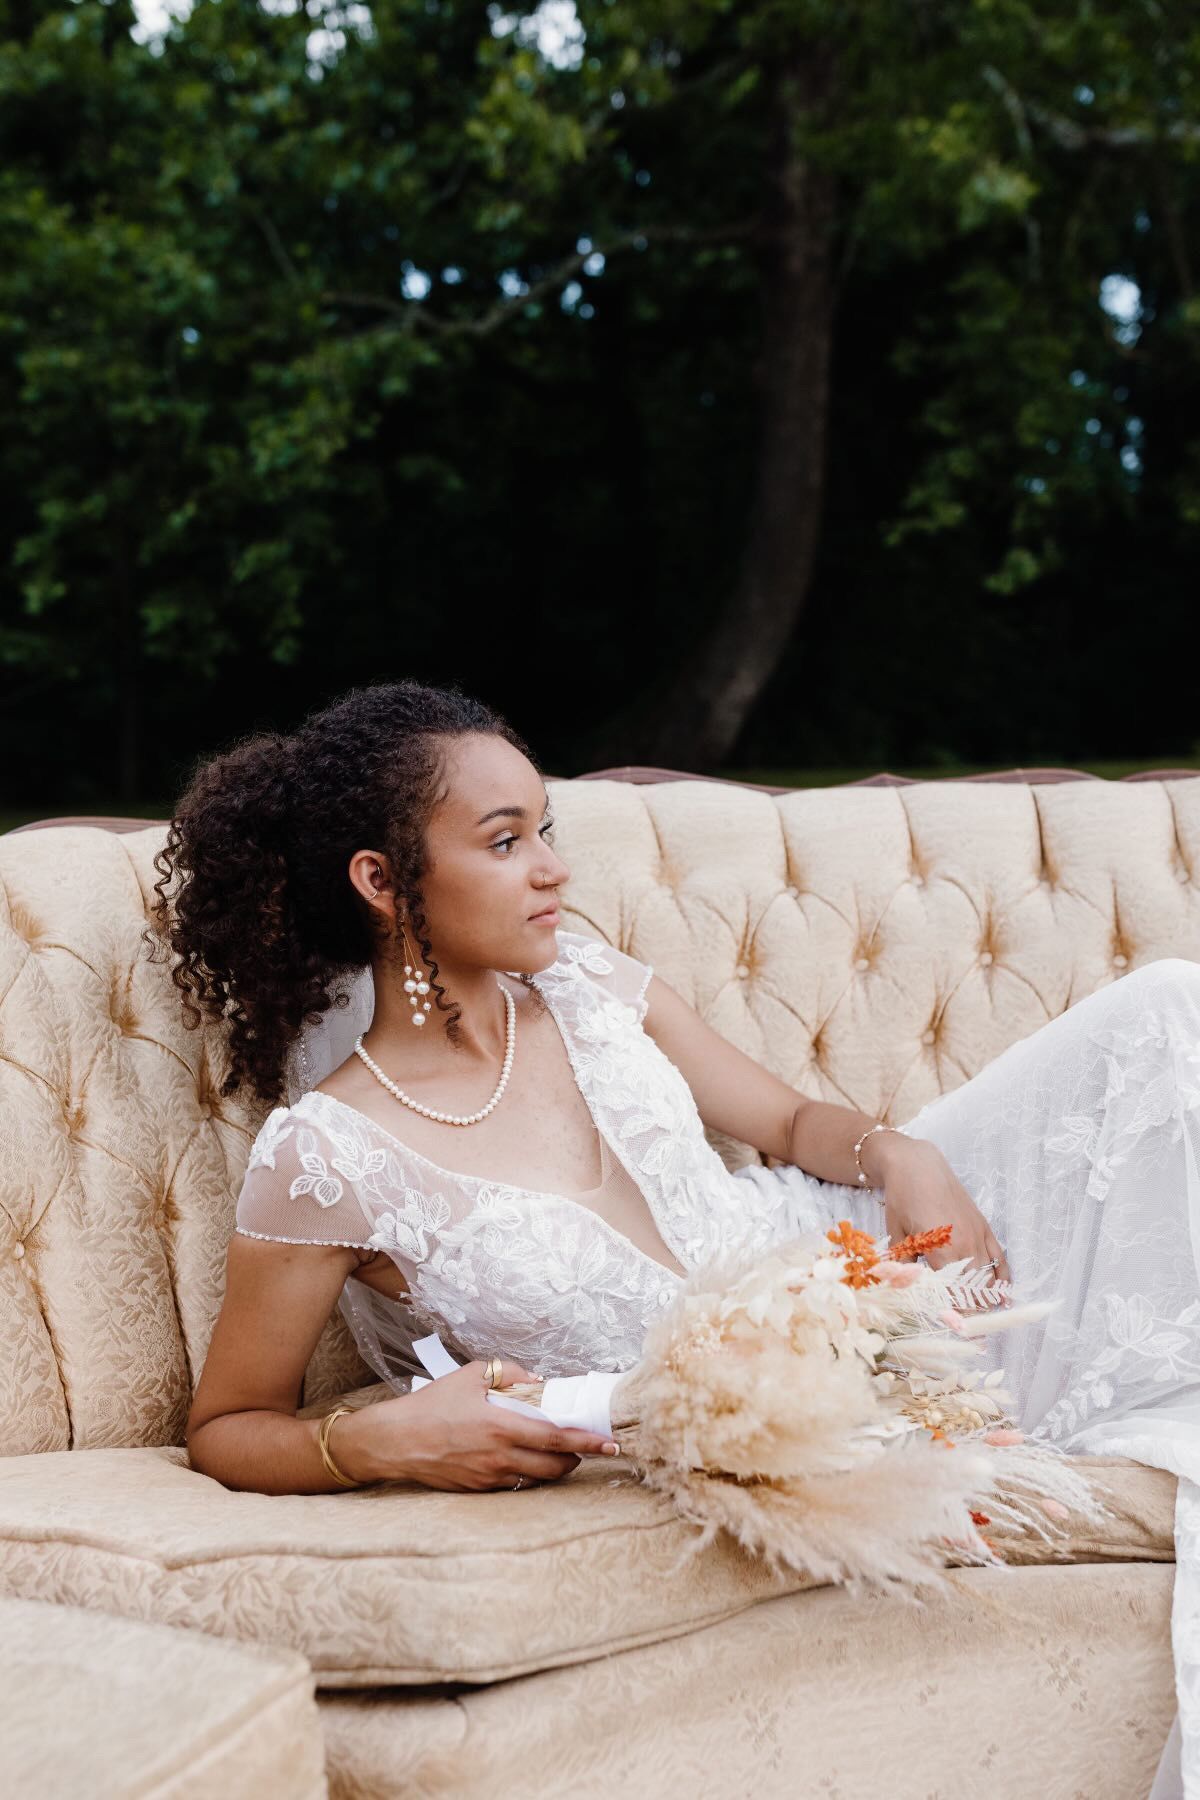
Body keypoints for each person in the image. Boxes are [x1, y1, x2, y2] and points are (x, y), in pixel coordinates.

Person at [151, 679, 1198, 1798]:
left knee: (1165, 1014)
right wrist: (374, 1442)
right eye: (505, 843)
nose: (553, 867)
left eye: (545, 830)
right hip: (790, 1395)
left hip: (867, 1259)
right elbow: (228, 1423)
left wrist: (898, 1154)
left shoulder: (590, 985)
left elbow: (790, 1123)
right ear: (381, 881)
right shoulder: (330, 1157)